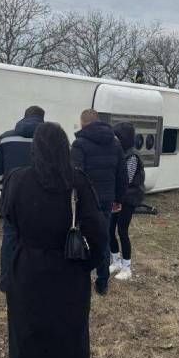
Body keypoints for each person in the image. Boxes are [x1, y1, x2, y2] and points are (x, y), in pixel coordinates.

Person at [1, 122, 108, 358]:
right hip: (66, 272)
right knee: (63, 338)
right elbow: (99, 234)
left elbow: (8, 216)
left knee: (23, 335)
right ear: (64, 148)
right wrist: (87, 263)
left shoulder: (17, 179)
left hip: (25, 270)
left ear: (35, 148)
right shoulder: (77, 183)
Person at [0, 105, 45, 292]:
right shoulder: (48, 138)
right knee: (38, 240)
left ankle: (6, 281)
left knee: (10, 238)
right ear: (42, 119)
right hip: (40, 199)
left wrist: (4, 188)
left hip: (11, 198)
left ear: (24, 117)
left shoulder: (6, 138)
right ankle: (34, 281)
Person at [70, 109, 125, 296]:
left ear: (83, 123)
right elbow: (121, 174)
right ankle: (102, 282)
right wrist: (118, 198)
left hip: (85, 201)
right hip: (107, 199)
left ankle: (81, 275)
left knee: (82, 237)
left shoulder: (79, 144)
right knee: (103, 237)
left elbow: (75, 175)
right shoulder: (115, 144)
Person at [109, 122, 145, 281]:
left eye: (117, 136)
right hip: (117, 198)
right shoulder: (120, 152)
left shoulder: (132, 156)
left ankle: (126, 267)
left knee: (122, 231)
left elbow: (126, 180)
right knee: (110, 229)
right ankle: (115, 261)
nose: (114, 139)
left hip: (128, 199)